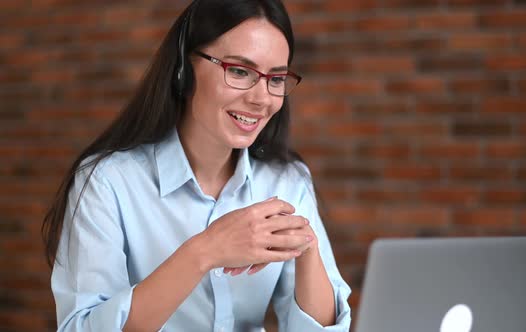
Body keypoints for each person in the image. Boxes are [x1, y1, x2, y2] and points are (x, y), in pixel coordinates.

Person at [41, 0, 351, 331]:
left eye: (275, 79)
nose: (261, 98)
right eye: (239, 71)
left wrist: (307, 249)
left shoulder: (288, 181)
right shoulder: (106, 182)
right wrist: (205, 251)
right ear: (184, 70)